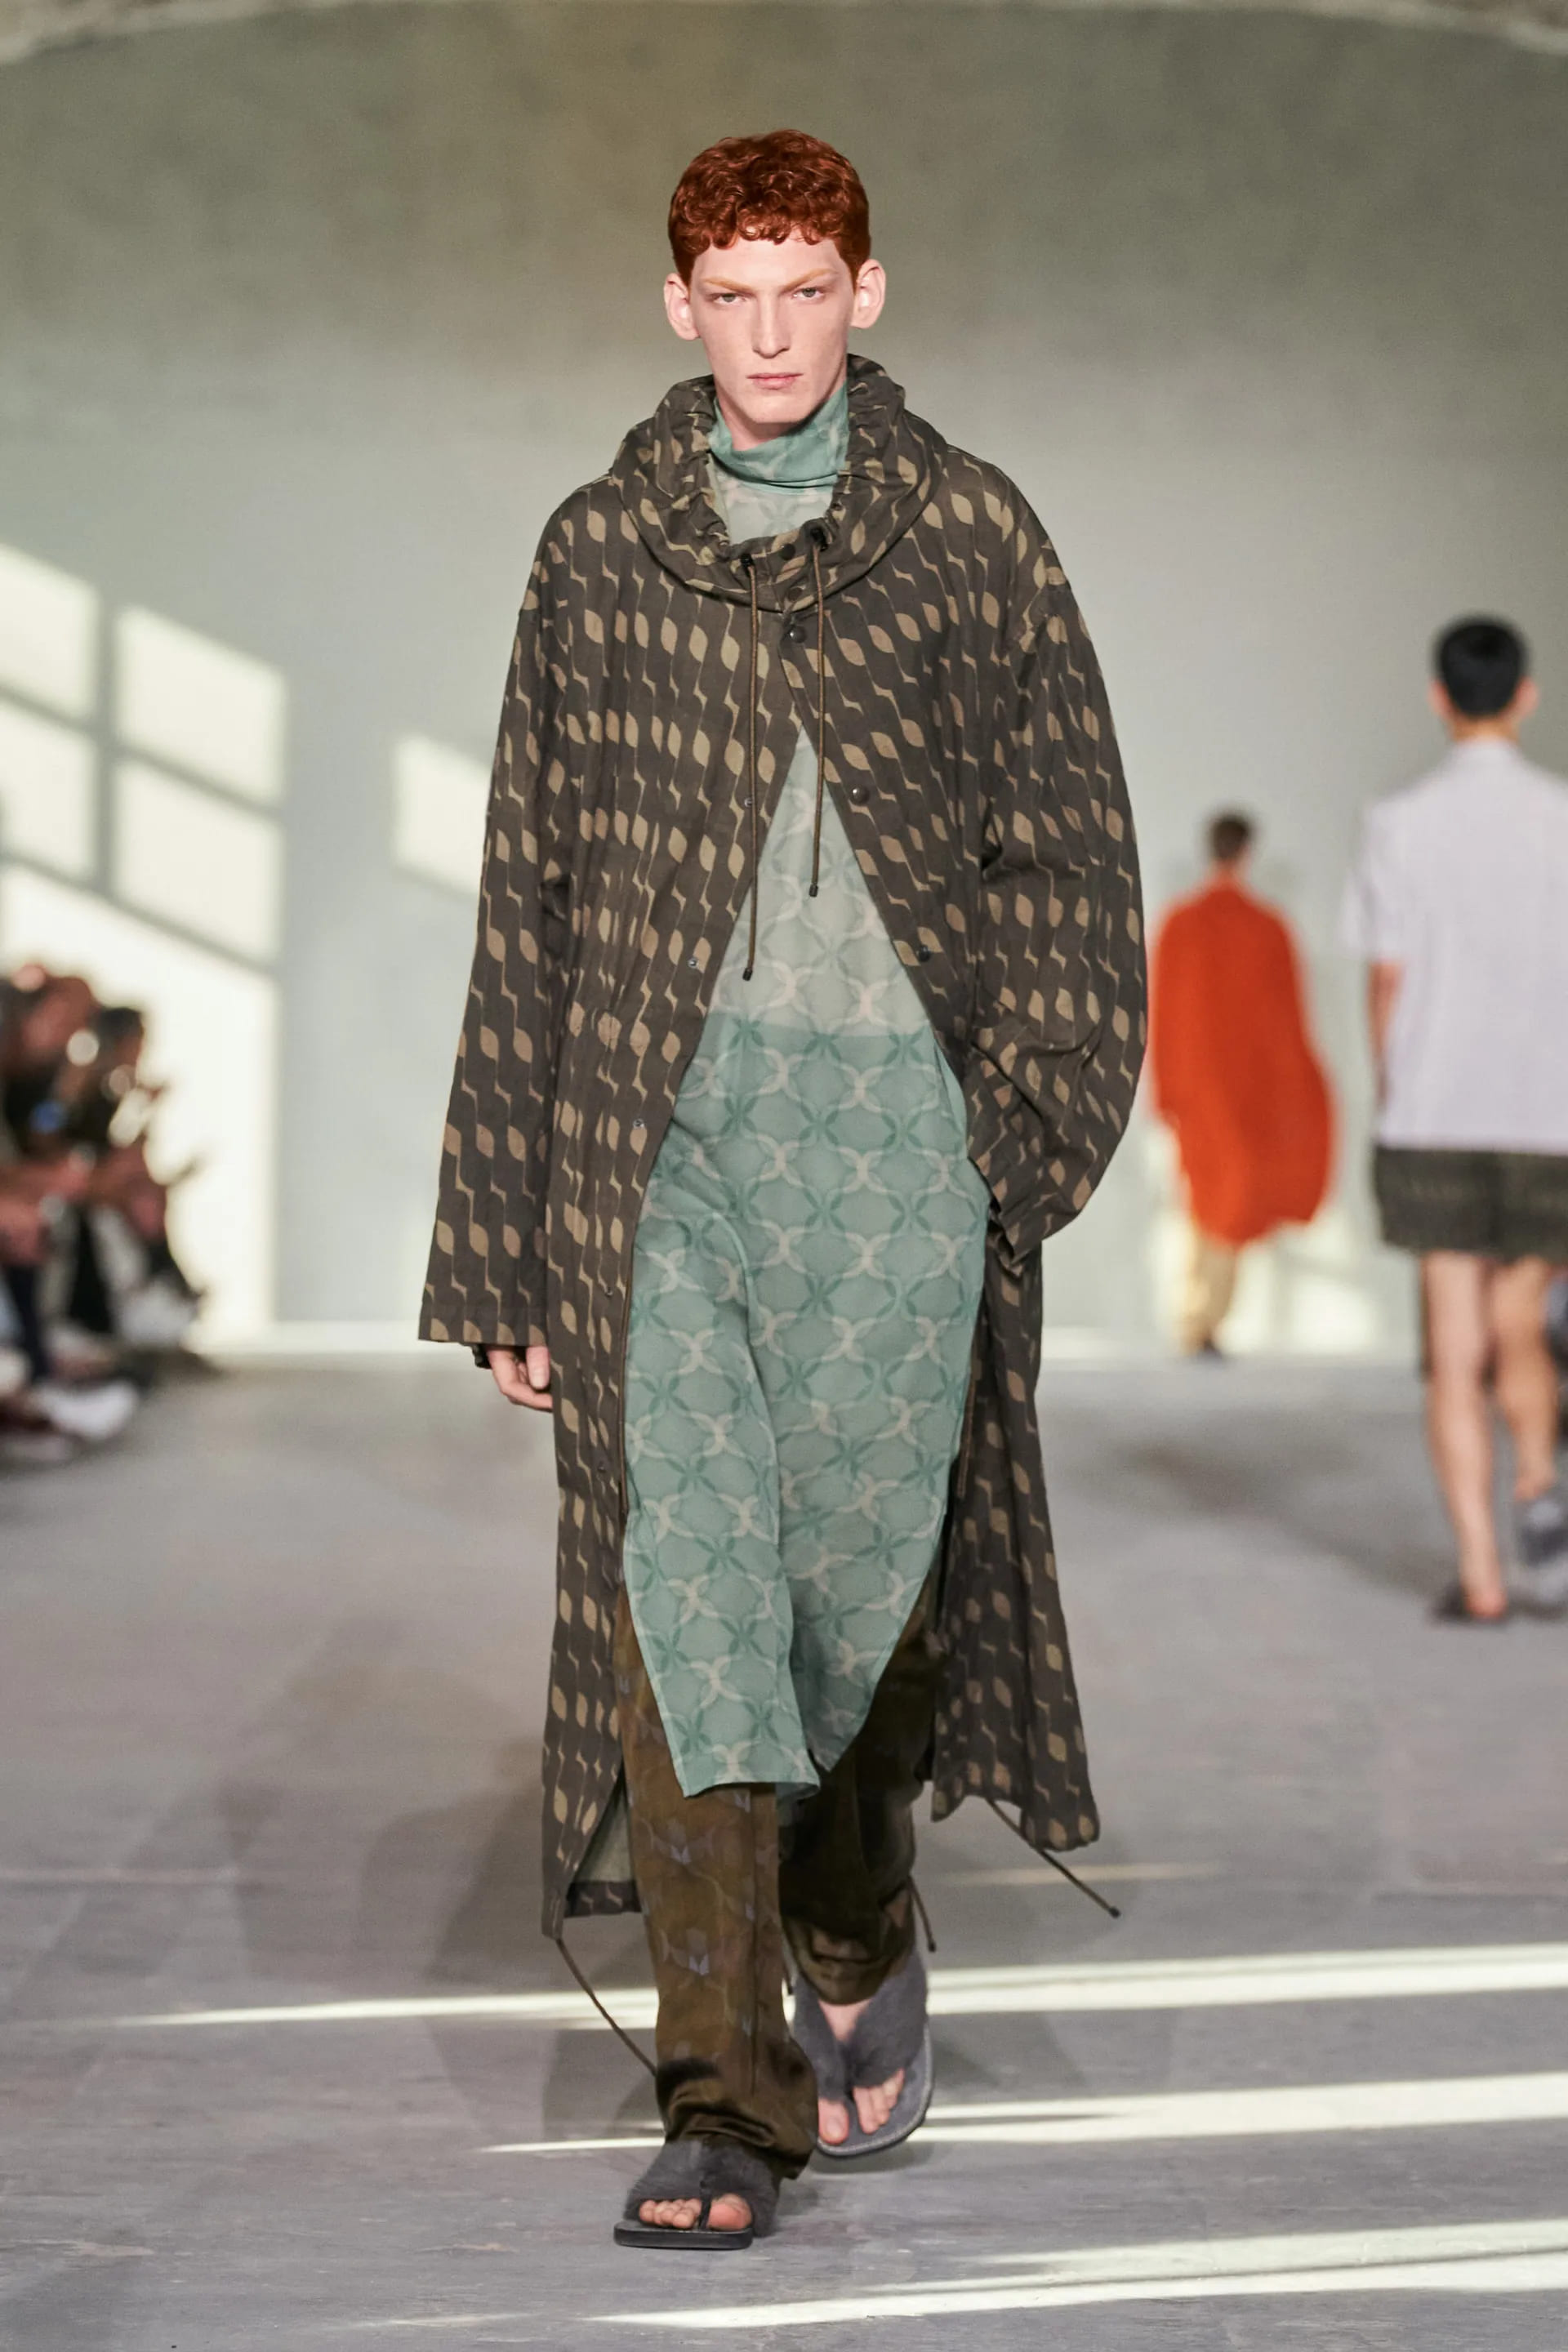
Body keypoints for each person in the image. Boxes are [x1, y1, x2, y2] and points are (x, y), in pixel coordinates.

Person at [422, 130, 1144, 2245]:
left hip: (904, 1148)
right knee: (697, 1590)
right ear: (679, 306)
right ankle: (724, 2099)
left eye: (803, 291)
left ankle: (854, 1910)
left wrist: (1024, 1133)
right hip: (660, 1144)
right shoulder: (599, 553)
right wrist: (504, 1237)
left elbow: (1070, 848)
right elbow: (531, 891)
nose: (768, 335)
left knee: (870, 1609)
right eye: (731, 297)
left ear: (865, 293)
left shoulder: (973, 537)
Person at [1344, 617, 1568, 1623]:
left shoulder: (1398, 822)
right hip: (1548, 1111)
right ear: (1526, 696)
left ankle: (1481, 1578)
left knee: (1453, 1345)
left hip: (1436, 1110)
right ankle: (1540, 1487)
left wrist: (1393, 1088)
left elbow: (1387, 979)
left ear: (1440, 698)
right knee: (1522, 1318)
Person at [1150, 813, 1333, 1354]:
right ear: (1248, 853)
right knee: (1227, 1199)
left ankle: (1199, 1317)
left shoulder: (1181, 923)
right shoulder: (1267, 927)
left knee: (1206, 1196)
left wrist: (1164, 1088)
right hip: (1246, 1089)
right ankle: (1202, 1317)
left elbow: (1160, 1013)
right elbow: (1290, 1020)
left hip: (1197, 1088)